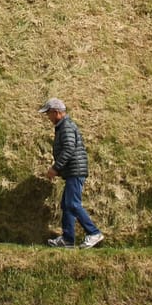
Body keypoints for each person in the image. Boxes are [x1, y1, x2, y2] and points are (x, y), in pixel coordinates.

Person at [39, 98, 104, 248]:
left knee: (73, 204)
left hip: (76, 171)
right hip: (73, 171)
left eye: (48, 114)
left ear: (56, 113)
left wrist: (55, 168)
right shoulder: (63, 126)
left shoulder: (66, 126)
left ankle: (94, 233)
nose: (48, 117)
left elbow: (69, 149)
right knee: (67, 205)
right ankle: (68, 239)